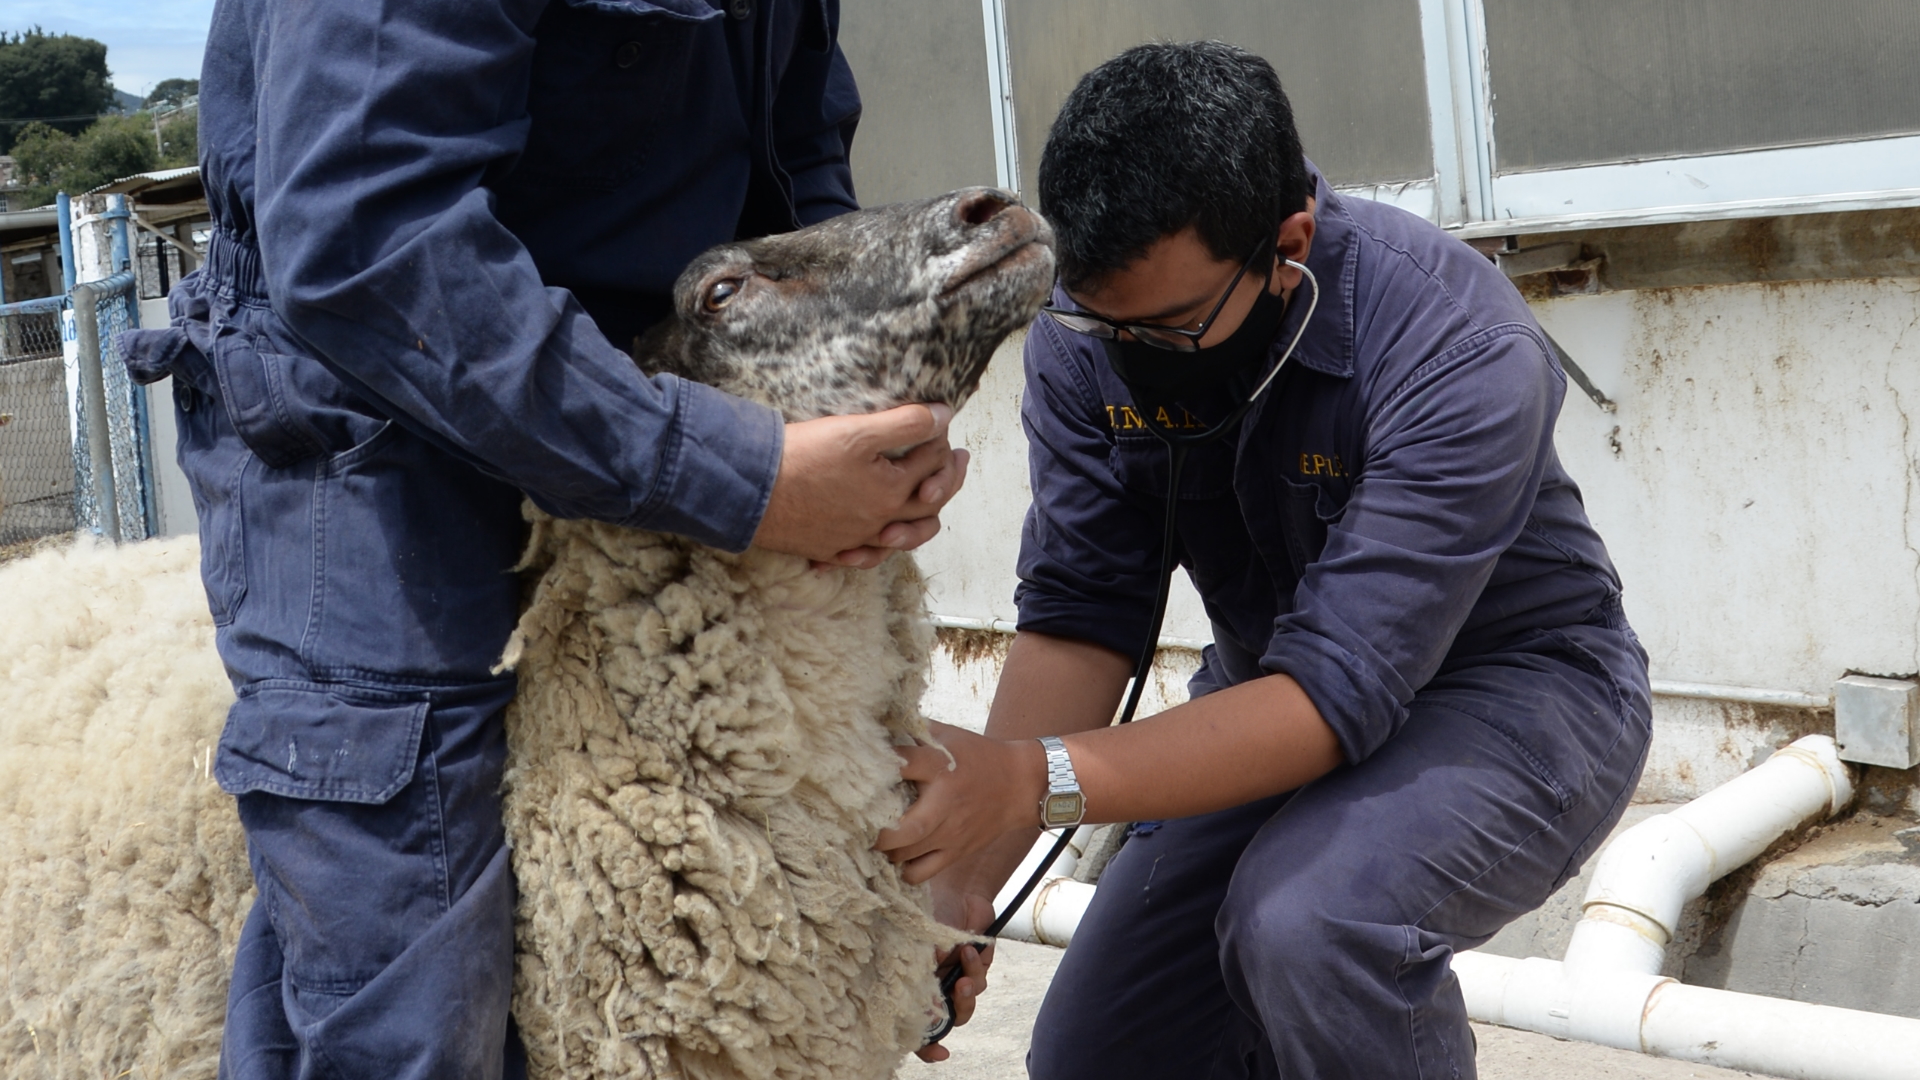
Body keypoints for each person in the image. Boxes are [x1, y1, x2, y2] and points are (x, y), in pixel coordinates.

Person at [119, 2, 969, 1077]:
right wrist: (733, 470)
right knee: (412, 995)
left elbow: (788, 153)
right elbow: (364, 232)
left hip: (657, 406)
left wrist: (848, 397)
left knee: (774, 897)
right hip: (380, 426)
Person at [878, 42, 1651, 1078]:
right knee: (1100, 1053)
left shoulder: (1453, 342)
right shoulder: (1086, 332)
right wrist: (960, 891)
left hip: (1518, 695)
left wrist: (1024, 781)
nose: (1126, 355)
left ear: (1289, 245)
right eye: (1102, 323)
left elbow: (1337, 691)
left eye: (1168, 328)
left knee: (1311, 924)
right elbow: (1083, 610)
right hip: (1266, 686)